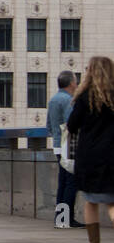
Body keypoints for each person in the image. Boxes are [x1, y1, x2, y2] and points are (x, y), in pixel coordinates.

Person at [66, 57, 114, 243]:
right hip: (113, 154)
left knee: (91, 202)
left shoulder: (85, 96)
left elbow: (72, 125)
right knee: (112, 202)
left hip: (91, 156)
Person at [49, 71, 80, 228]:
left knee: (62, 182)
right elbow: (72, 124)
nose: (77, 84)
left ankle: (60, 218)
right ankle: (67, 218)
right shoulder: (68, 100)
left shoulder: (54, 99)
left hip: (57, 145)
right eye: (76, 81)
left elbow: (49, 124)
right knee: (71, 183)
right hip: (67, 144)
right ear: (71, 83)